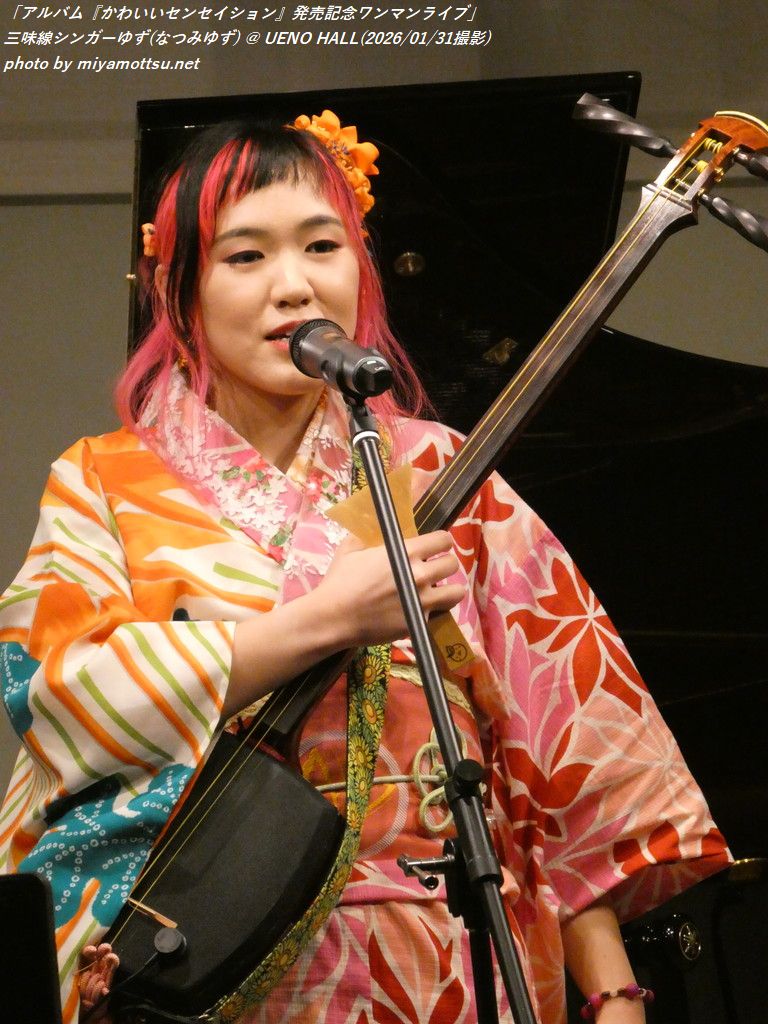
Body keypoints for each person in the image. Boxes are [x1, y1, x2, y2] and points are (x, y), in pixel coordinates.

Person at [0, 109, 729, 1024]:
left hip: (443, 957)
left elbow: (561, 755)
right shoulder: (103, 482)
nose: (294, 286)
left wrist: (615, 993)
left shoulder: (444, 475)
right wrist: (327, 620)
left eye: (322, 246)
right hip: (208, 956)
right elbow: (60, 692)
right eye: (245, 256)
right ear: (176, 290)